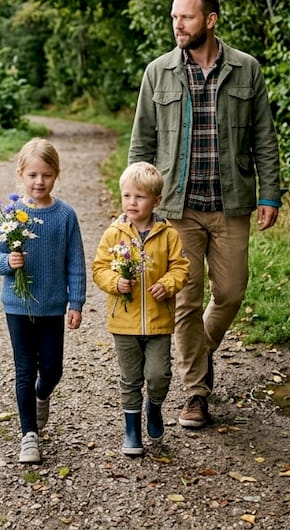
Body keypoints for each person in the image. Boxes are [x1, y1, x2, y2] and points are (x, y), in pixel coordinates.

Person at [128, 0, 283, 430]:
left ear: (210, 21)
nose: (178, 25)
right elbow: (142, 142)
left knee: (232, 292)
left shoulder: (246, 70)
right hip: (177, 208)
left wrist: (269, 193)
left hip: (231, 201)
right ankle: (196, 392)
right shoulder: (158, 73)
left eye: (187, 18)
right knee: (186, 300)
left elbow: (263, 138)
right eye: (174, 17)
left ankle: (199, 349)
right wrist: (138, 200)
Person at [0, 138, 86, 464]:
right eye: (32, 175)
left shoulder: (65, 216)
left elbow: (75, 261)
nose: (39, 182)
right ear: (21, 175)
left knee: (52, 369)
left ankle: (42, 395)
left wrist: (76, 302)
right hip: (17, 303)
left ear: (56, 175)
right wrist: (7, 263)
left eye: (46, 175)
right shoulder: (10, 214)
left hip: (52, 305)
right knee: (25, 368)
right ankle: (29, 434)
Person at [91, 162, 189, 455]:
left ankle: (155, 407)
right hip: (124, 321)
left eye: (140, 197)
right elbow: (99, 268)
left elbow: (181, 267)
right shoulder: (114, 233)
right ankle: (132, 431)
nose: (132, 202)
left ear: (156, 201)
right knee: (130, 377)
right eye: (127, 196)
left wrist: (168, 284)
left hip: (159, 320)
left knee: (159, 374)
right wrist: (115, 282)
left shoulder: (168, 234)